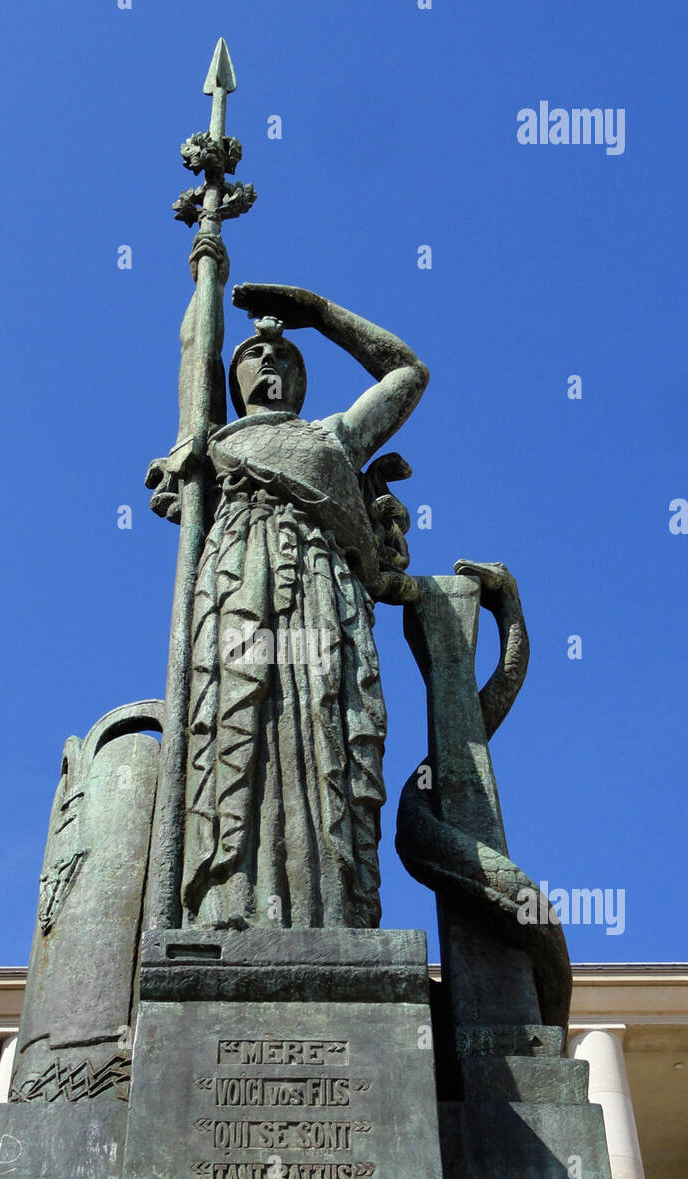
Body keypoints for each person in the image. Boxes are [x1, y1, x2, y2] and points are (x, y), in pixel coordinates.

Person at [148, 236, 428, 931]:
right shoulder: (210, 446)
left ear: (302, 381)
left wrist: (320, 313)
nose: (266, 359)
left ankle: (333, 914)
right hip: (236, 593)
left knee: (322, 734)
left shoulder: (332, 439)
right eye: (250, 356)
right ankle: (225, 910)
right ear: (233, 380)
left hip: (319, 596)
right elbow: (194, 352)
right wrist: (205, 272)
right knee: (233, 731)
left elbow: (407, 372)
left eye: (281, 356)